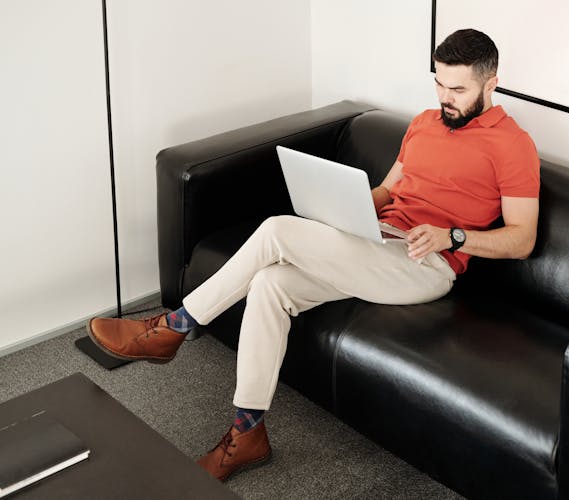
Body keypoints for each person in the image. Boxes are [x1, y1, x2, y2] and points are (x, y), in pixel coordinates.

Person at [86, 28, 540, 482]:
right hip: (376, 240)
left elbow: (522, 239)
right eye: (439, 84)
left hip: (426, 264)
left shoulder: (512, 145)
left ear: (491, 82)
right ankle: (247, 433)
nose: (445, 98)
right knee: (270, 284)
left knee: (277, 231)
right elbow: (389, 190)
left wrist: (453, 238)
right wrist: (350, 203)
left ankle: (172, 328)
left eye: (457, 89)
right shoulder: (423, 123)